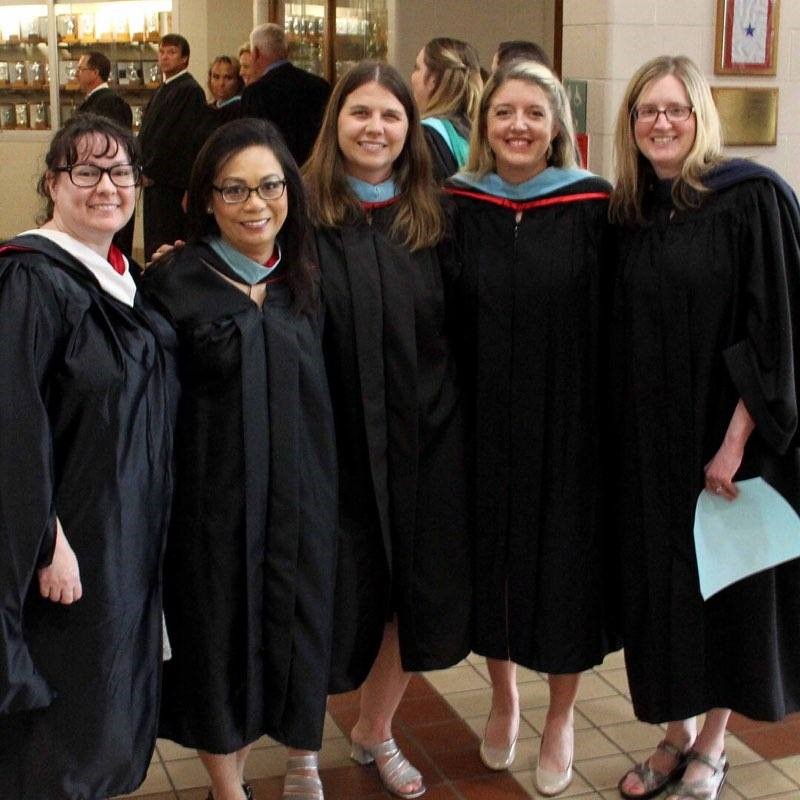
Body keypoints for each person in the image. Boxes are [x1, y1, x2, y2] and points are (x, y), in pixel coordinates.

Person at [610, 55, 800, 800]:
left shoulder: (751, 199)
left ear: (700, 118)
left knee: (724, 595)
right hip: (651, 447)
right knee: (666, 597)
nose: (661, 123)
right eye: (646, 111)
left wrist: (733, 442)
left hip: (730, 447)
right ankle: (675, 735)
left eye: (675, 109)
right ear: (630, 125)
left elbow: (778, 329)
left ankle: (713, 746)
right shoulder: (632, 214)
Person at [140, 118, 337, 800]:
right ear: (204, 199)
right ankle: (229, 787)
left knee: (296, 630)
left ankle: (300, 756)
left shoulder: (307, 274)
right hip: (212, 511)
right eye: (235, 189)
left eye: (271, 185)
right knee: (216, 644)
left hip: (301, 503)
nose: (256, 204)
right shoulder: (173, 282)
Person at [443, 60, 619, 797]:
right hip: (481, 420)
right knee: (497, 566)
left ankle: (562, 715)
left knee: (565, 570)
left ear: (558, 129)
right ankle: (506, 693)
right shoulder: (457, 204)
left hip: (569, 423)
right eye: (503, 112)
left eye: (533, 114)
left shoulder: (595, 206)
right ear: (483, 125)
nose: (518, 125)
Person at [303, 60, 471, 799]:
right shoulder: (299, 214)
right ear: (335, 122)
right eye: (361, 113)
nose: (375, 129)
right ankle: (303, 748)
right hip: (330, 446)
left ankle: (375, 731)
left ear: (412, 128)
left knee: (409, 593)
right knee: (323, 597)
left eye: (391, 116)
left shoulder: (434, 217)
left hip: (422, 442)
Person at [0, 113, 177, 800]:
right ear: (52, 182)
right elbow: (13, 421)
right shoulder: (31, 280)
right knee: (65, 726)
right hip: (73, 539)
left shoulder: (119, 275)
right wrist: (47, 539)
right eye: (86, 171)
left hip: (123, 529)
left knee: (106, 706)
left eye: (121, 171)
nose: (106, 186)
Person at [138, 33, 214, 260]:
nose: (165, 57)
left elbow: (179, 140)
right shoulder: (164, 88)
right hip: (153, 180)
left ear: (185, 59)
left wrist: (152, 170)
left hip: (171, 183)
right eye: (162, 52)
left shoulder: (189, 90)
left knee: (167, 241)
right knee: (154, 240)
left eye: (172, 52)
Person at [241, 23, 331, 167]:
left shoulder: (255, 93)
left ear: (256, 53)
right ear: (287, 51)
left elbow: (252, 144)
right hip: (314, 172)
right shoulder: (320, 86)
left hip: (275, 174)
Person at [76, 50, 135, 257]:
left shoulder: (109, 103)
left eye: (81, 69)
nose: (77, 74)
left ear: (95, 73)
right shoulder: (94, 102)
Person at [410, 37, 483, 181]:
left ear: (433, 80)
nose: (412, 76)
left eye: (417, 68)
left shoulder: (424, 136)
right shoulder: (478, 131)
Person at [207, 54, 244, 122]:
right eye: (216, 77)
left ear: (238, 81)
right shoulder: (207, 110)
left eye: (228, 78)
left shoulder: (242, 110)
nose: (221, 83)